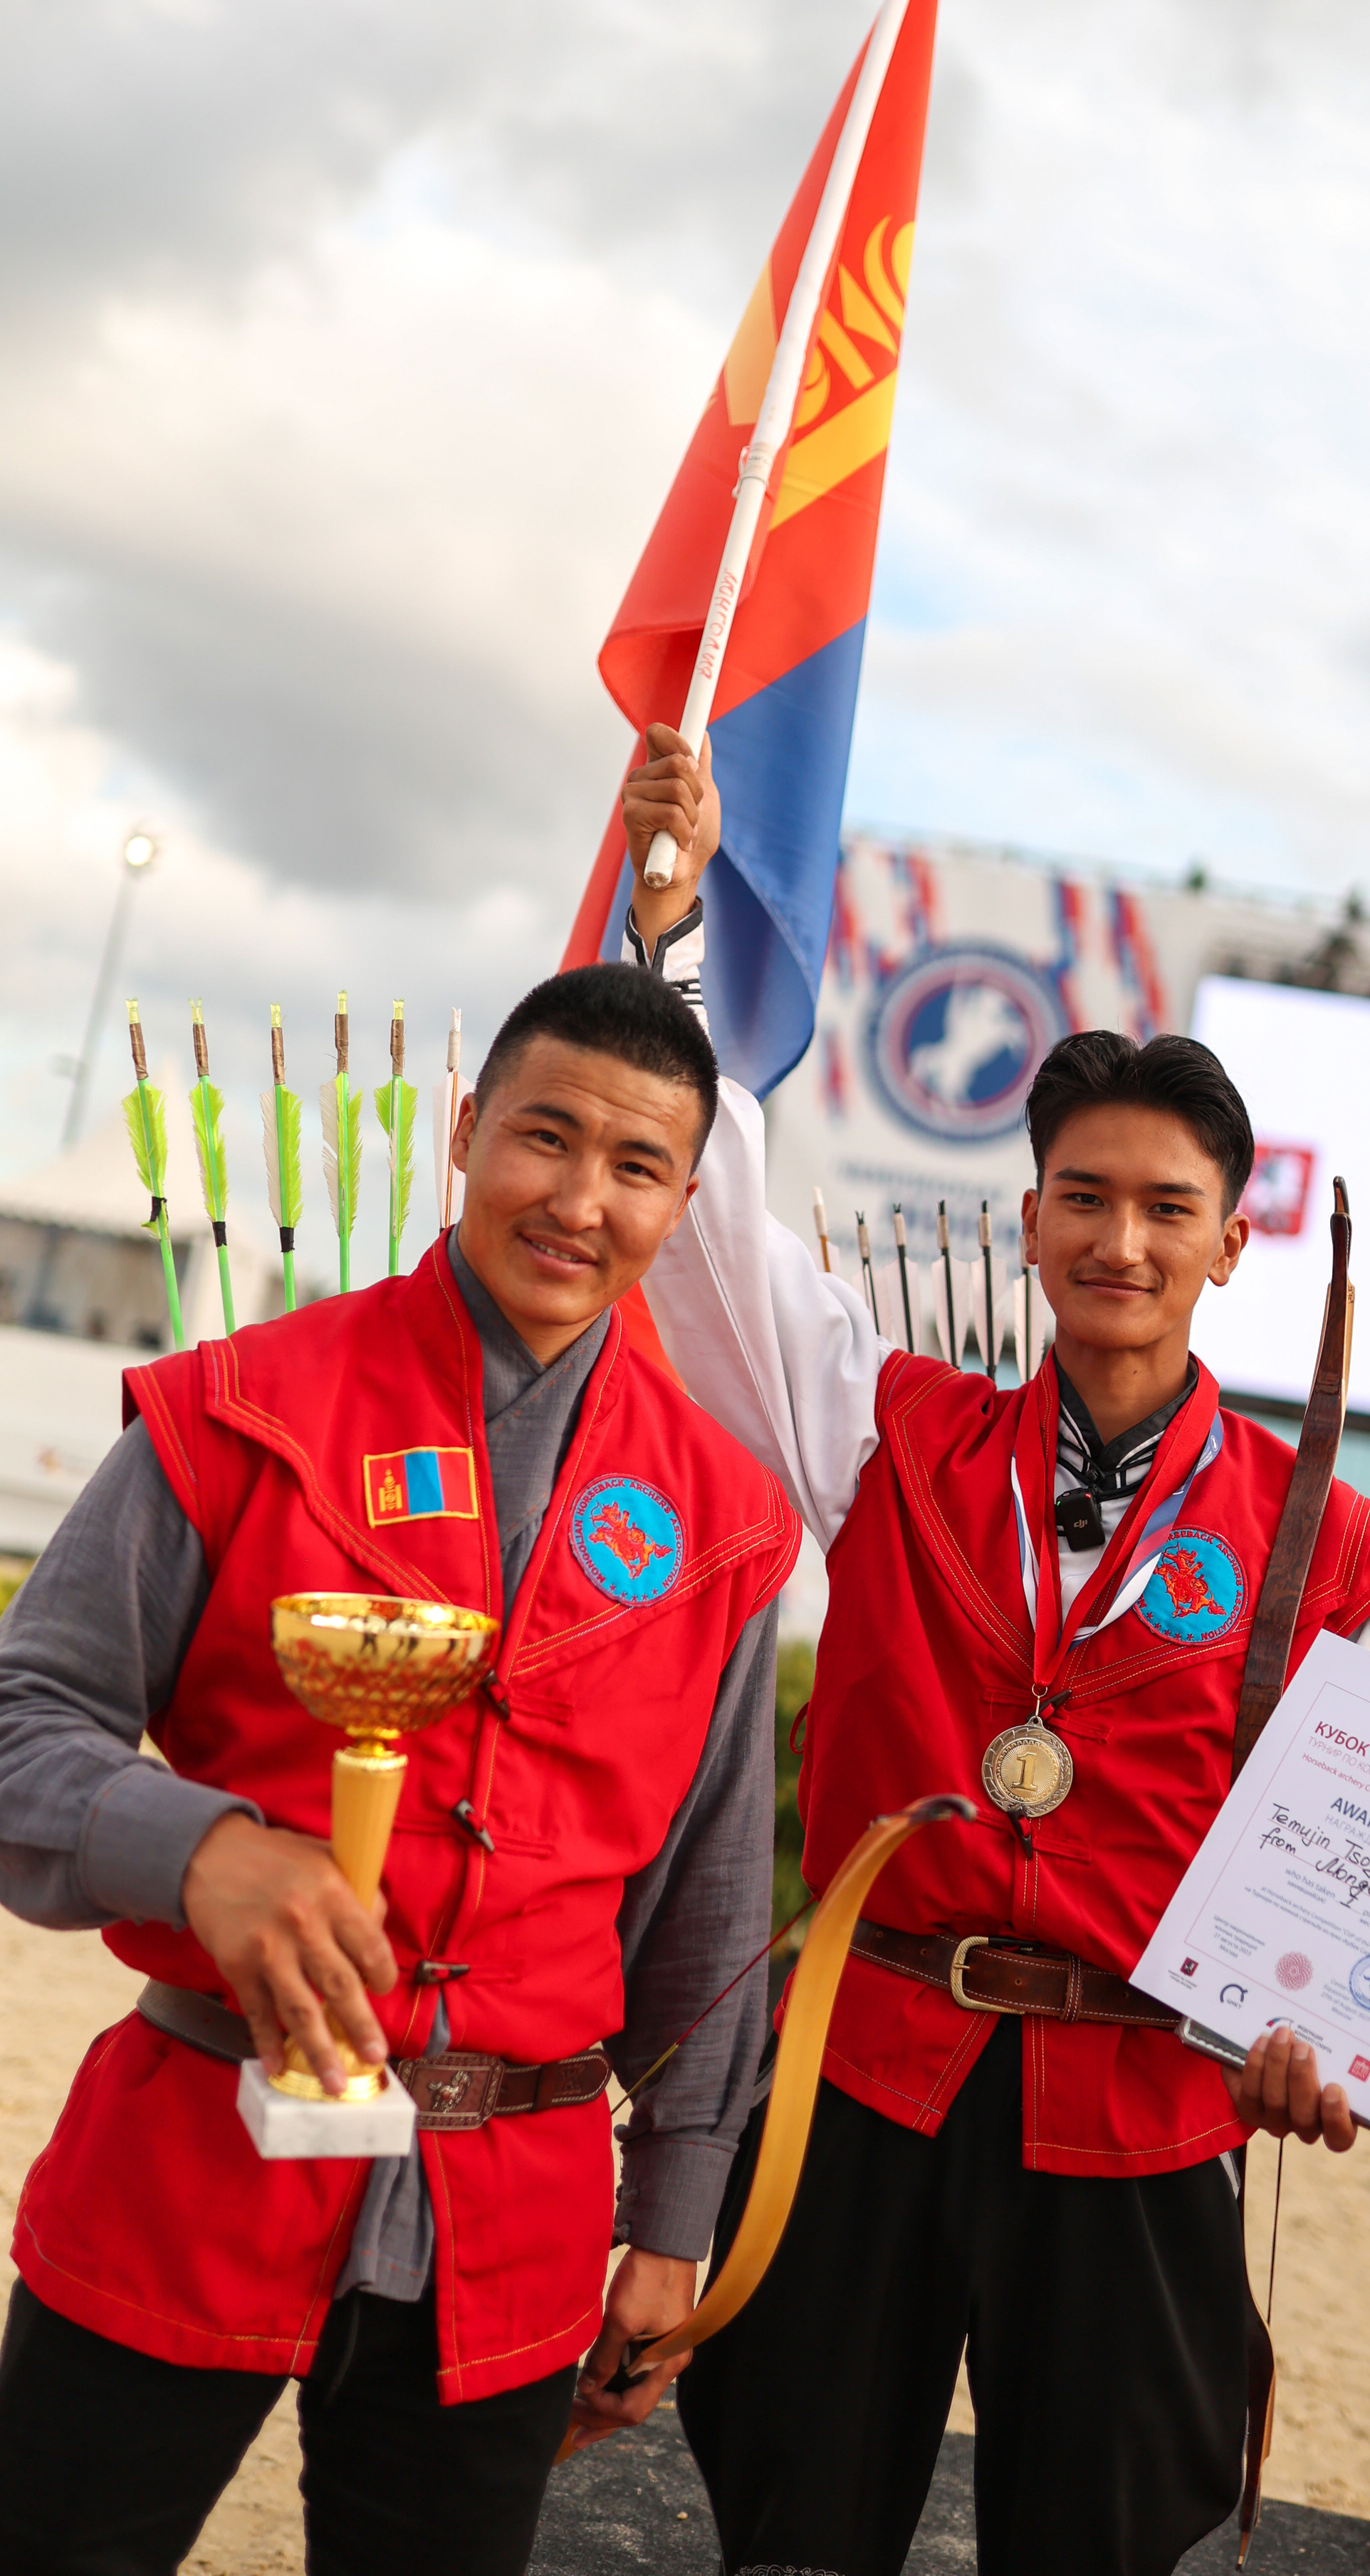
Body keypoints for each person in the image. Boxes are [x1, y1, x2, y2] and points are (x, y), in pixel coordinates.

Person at [573, 734, 1370, 2576]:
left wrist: (1328, 2044)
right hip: (865, 2074)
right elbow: (713, 1238)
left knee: (1103, 2543)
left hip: (1133, 2117)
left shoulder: (1330, 1550)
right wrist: (671, 947)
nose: (1122, 1240)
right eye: (1086, 1200)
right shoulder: (891, 1432)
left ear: (1230, 1246)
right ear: (1031, 1220)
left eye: (1167, 1210)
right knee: (794, 2517)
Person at [0, 961, 800, 2576]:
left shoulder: (719, 1516)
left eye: (636, 1167)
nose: (580, 1199)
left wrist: (675, 2222)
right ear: (462, 1131)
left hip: (512, 2219)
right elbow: (23, 1723)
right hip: (196, 2162)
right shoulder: (243, 1408)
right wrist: (200, 1844)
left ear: (685, 1200)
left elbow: (705, 1904)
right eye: (544, 1136)